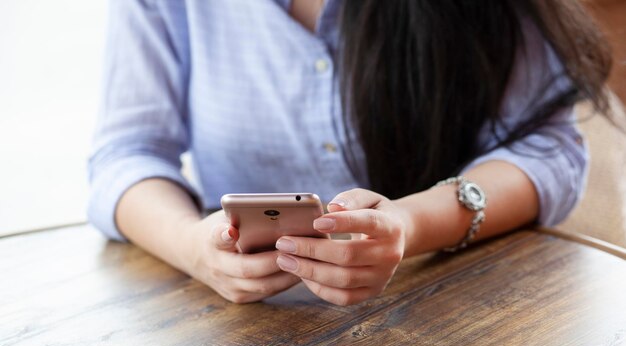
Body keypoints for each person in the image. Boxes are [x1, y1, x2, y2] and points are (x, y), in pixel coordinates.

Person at [88, 0, 611, 305]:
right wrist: (190, 246)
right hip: (244, 340)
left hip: (450, 310)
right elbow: (127, 155)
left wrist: (410, 223)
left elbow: (548, 149)